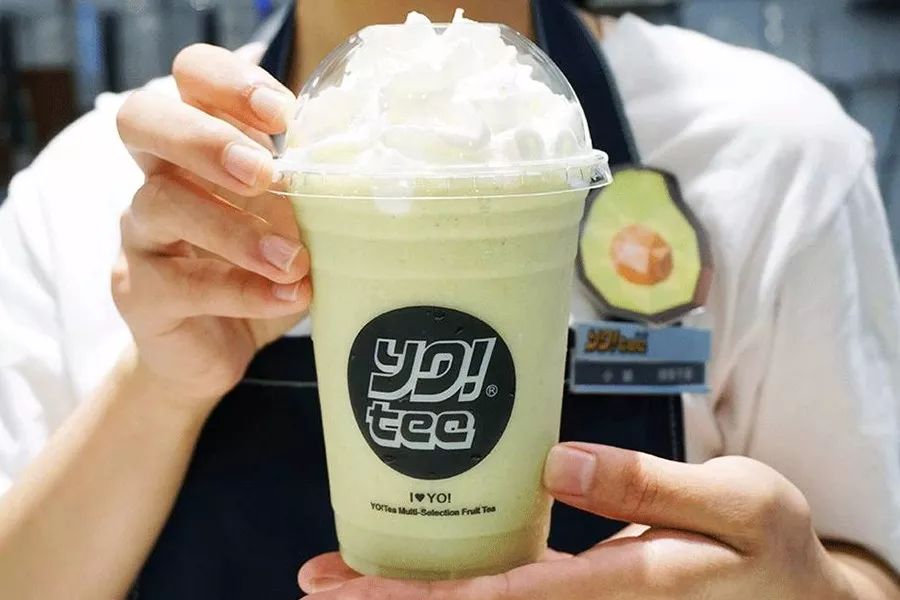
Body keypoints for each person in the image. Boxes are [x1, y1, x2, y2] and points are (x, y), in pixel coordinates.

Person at [0, 0, 899, 598]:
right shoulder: (104, 182)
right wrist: (159, 387)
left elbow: (868, 564)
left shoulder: (770, 152)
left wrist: (809, 587)